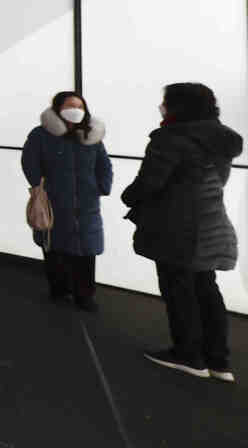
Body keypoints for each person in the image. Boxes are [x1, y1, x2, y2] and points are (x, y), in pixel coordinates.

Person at [121, 83, 242, 382]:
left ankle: (188, 355)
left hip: (175, 228)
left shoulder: (171, 139)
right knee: (206, 288)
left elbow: (150, 183)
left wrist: (128, 197)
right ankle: (218, 361)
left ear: (178, 106)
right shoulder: (220, 138)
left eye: (166, 101)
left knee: (178, 290)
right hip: (212, 223)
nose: (161, 106)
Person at [22, 92, 113, 311]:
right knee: (53, 246)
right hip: (54, 200)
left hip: (87, 203)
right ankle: (59, 289)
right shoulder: (41, 135)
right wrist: (38, 187)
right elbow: (29, 161)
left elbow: (104, 165)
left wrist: (101, 186)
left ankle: (85, 295)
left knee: (86, 250)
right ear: (57, 109)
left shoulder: (91, 135)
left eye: (80, 106)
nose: (76, 110)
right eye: (70, 106)